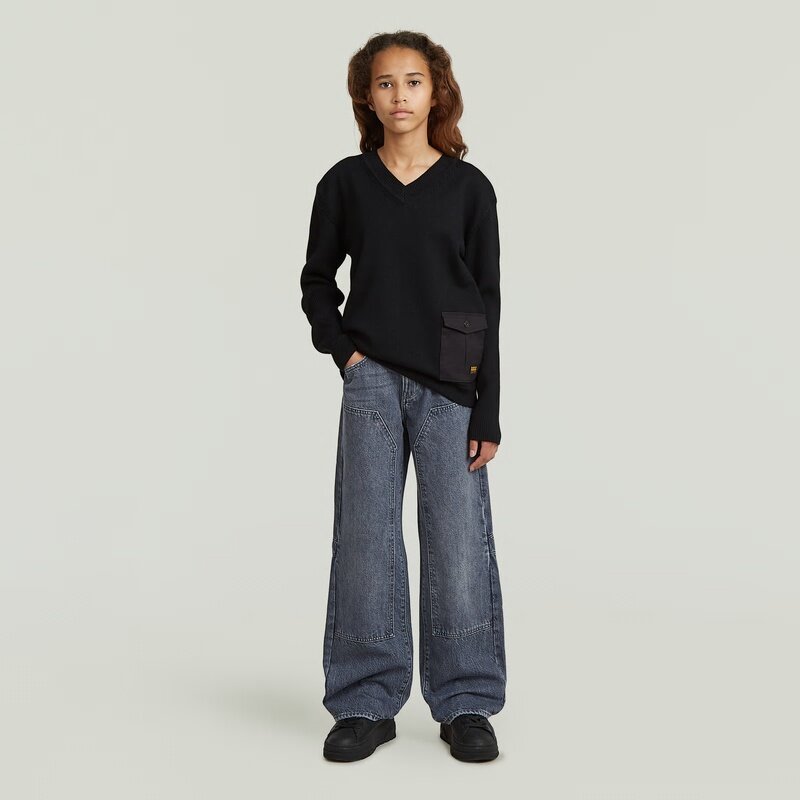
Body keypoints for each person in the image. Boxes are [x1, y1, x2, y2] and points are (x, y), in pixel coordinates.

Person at [300, 30, 507, 763]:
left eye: (413, 81)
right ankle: (365, 700)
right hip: (373, 378)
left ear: (436, 91)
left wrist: (488, 409)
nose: (399, 96)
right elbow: (316, 279)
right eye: (385, 83)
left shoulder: (469, 189)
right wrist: (347, 354)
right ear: (367, 96)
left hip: (453, 382)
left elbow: (487, 300)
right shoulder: (346, 183)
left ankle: (467, 701)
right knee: (366, 537)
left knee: (458, 540)